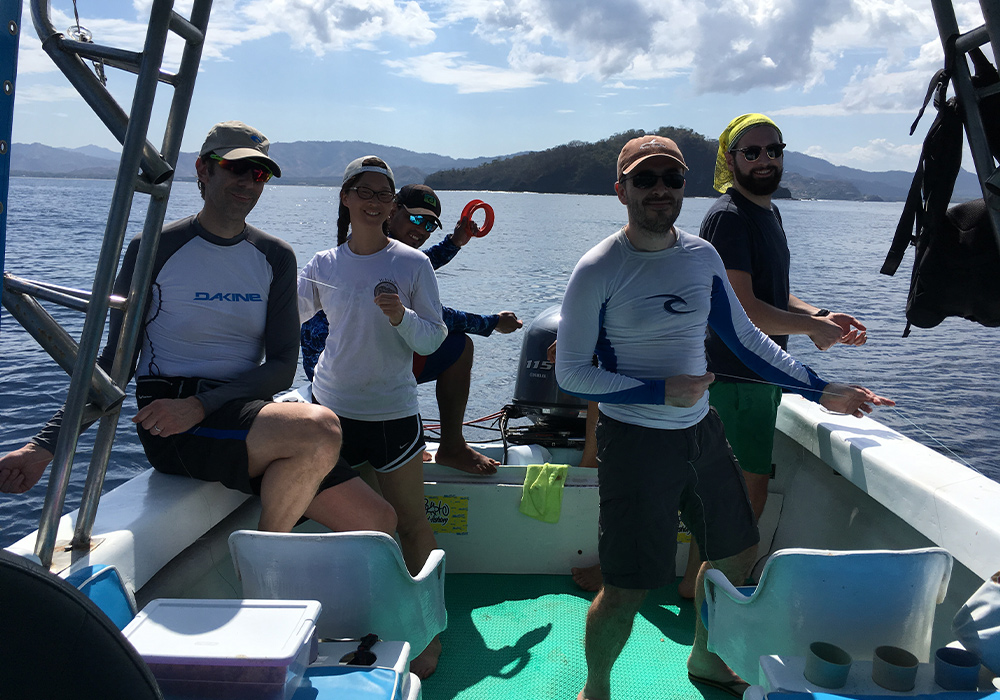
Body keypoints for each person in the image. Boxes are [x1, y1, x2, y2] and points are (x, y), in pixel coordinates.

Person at [555, 134, 893, 700]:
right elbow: (572, 373)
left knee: (736, 549)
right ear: (621, 191)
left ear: (685, 188)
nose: (660, 189)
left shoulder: (701, 256)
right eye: (645, 179)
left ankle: (707, 658)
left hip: (703, 433)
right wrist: (658, 390)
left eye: (672, 179)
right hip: (635, 442)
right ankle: (596, 687)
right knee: (628, 587)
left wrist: (820, 387)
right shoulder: (599, 268)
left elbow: (746, 339)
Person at [0, 121, 396, 540]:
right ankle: (265, 560)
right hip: (172, 421)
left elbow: (281, 366)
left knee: (377, 521)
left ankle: (265, 555)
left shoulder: (275, 256)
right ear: (203, 171)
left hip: (241, 413)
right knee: (319, 428)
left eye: (259, 173)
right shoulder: (153, 248)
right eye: (236, 168)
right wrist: (43, 446)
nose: (248, 182)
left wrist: (204, 405)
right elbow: (112, 364)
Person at [676, 113, 869, 598]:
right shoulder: (730, 218)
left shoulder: (766, 213)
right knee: (745, 504)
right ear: (730, 159)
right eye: (752, 151)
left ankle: (691, 589)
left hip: (755, 380)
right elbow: (743, 310)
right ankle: (713, 608)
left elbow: (773, 293)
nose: (765, 160)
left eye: (774, 150)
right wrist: (811, 329)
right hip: (737, 380)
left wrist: (820, 314)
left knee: (726, 502)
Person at [297, 156, 447, 678]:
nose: (375, 200)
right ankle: (358, 630)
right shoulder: (322, 264)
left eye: (385, 194)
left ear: (392, 205)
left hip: (393, 416)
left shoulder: (412, 264)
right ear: (345, 197)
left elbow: (435, 336)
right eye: (365, 190)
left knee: (411, 525)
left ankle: (429, 632)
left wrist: (399, 316)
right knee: (354, 534)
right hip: (333, 414)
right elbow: (282, 318)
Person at [301, 183, 522, 475]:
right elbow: (437, 317)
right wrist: (492, 323)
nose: (423, 228)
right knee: (458, 346)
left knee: (419, 340)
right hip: (339, 374)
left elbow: (416, 270)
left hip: (353, 362)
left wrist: (454, 242)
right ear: (392, 211)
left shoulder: (385, 251)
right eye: (416, 219)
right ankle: (448, 446)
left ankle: (418, 443)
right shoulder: (373, 256)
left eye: (430, 223)